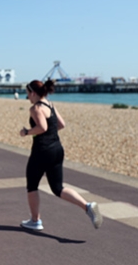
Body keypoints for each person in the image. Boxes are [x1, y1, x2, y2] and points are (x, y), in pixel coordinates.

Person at [19, 79, 103, 231]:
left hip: (42, 151)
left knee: (32, 185)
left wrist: (26, 132)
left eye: (27, 94)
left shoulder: (36, 108)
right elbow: (61, 124)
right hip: (57, 149)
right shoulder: (50, 105)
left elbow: (42, 127)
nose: (28, 98)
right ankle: (87, 206)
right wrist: (50, 133)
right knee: (58, 188)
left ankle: (35, 221)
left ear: (33, 93)